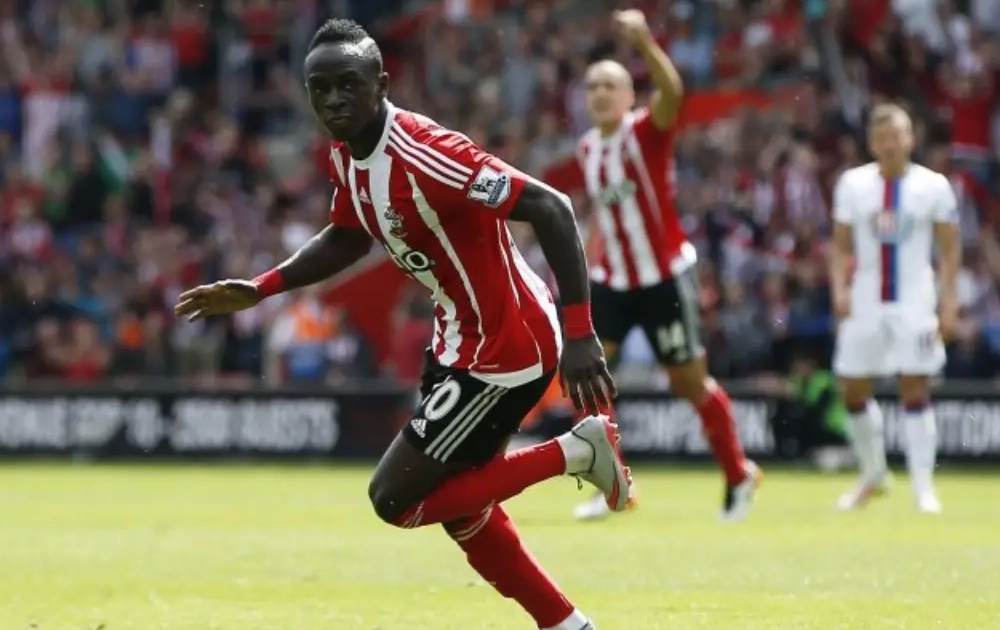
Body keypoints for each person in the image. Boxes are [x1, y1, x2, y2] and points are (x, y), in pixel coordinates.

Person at [174, 19, 630, 630]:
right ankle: (568, 626)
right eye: (320, 89)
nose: (334, 100)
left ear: (381, 84)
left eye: (348, 84)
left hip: (506, 346)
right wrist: (260, 288)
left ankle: (575, 450)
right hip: (459, 341)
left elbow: (552, 206)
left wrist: (580, 333)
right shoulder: (348, 152)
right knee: (463, 509)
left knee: (395, 499)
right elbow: (347, 236)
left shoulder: (428, 154)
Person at [571, 9, 761, 523]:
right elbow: (604, 216)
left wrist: (643, 42)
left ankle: (738, 474)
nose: (601, 94)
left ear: (629, 95)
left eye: (610, 86)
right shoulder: (587, 149)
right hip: (613, 281)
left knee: (689, 384)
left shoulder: (644, 131)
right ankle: (614, 485)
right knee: (588, 377)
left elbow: (673, 93)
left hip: (663, 278)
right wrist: (589, 262)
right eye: (593, 87)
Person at [829, 103, 961, 514]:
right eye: (882, 137)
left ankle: (923, 487)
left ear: (911, 139)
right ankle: (873, 474)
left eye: (896, 135)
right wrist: (839, 288)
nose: (889, 144)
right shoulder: (852, 184)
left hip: (915, 299)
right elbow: (840, 245)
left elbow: (950, 249)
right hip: (866, 298)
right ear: (871, 143)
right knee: (852, 388)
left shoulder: (933, 186)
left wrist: (949, 301)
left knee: (915, 386)